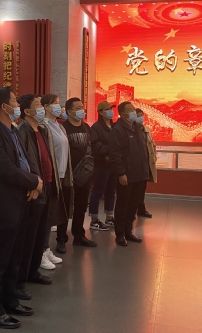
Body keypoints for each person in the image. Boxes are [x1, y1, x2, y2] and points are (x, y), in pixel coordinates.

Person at [0, 87, 43, 329]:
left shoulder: (12, 130)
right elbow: (4, 168)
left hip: (18, 202)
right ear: (4, 107)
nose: (17, 105)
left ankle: (9, 300)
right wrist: (33, 181)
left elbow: (25, 161)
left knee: (13, 257)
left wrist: (35, 181)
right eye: (14, 101)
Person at [16, 94, 54, 298]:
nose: (42, 109)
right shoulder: (22, 132)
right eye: (38, 105)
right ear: (27, 111)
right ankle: (20, 279)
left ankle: (33, 270)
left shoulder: (42, 129)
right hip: (34, 188)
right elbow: (23, 162)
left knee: (40, 233)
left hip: (46, 184)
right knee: (28, 236)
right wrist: (32, 183)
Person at [109, 102, 150, 247]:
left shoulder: (138, 127)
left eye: (133, 109)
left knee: (133, 204)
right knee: (123, 204)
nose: (133, 112)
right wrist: (121, 173)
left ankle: (128, 231)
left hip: (140, 174)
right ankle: (120, 234)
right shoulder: (118, 130)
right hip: (126, 175)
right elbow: (115, 154)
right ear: (122, 114)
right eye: (130, 110)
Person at [40, 94, 73, 257]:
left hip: (63, 174)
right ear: (46, 107)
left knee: (61, 210)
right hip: (51, 175)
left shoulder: (60, 126)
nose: (59, 107)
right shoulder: (43, 126)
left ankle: (59, 240)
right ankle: (43, 248)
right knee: (49, 212)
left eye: (59, 104)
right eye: (55, 104)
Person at [61, 97, 96, 247]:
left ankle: (79, 235)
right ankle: (61, 239)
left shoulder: (86, 127)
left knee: (81, 207)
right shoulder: (63, 128)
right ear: (69, 111)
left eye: (82, 107)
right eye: (77, 108)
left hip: (85, 175)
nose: (81, 110)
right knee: (65, 208)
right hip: (68, 174)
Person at [89, 101, 117, 231]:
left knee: (111, 191)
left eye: (111, 109)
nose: (111, 111)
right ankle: (94, 219)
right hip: (101, 164)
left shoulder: (114, 126)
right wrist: (111, 149)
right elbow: (95, 146)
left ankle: (109, 217)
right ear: (100, 112)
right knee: (98, 191)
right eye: (107, 109)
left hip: (113, 164)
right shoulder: (96, 128)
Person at [135, 108, 156, 218]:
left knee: (142, 188)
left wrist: (154, 156)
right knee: (135, 189)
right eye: (138, 115)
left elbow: (152, 144)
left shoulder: (146, 130)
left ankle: (141, 209)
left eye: (141, 115)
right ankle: (132, 210)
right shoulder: (132, 130)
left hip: (146, 164)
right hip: (136, 165)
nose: (140, 117)